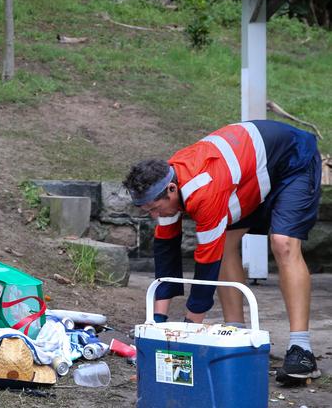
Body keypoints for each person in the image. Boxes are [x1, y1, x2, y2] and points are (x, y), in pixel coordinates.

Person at [122, 120, 322, 385]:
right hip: (249, 174)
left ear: (172, 190)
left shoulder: (203, 192)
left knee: (283, 242)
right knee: (227, 241)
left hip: (293, 160)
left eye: (155, 210)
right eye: (149, 212)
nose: (155, 216)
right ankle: (236, 335)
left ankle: (301, 350)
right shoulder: (165, 182)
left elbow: (207, 266)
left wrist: (184, 340)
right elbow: (166, 256)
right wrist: (156, 325)